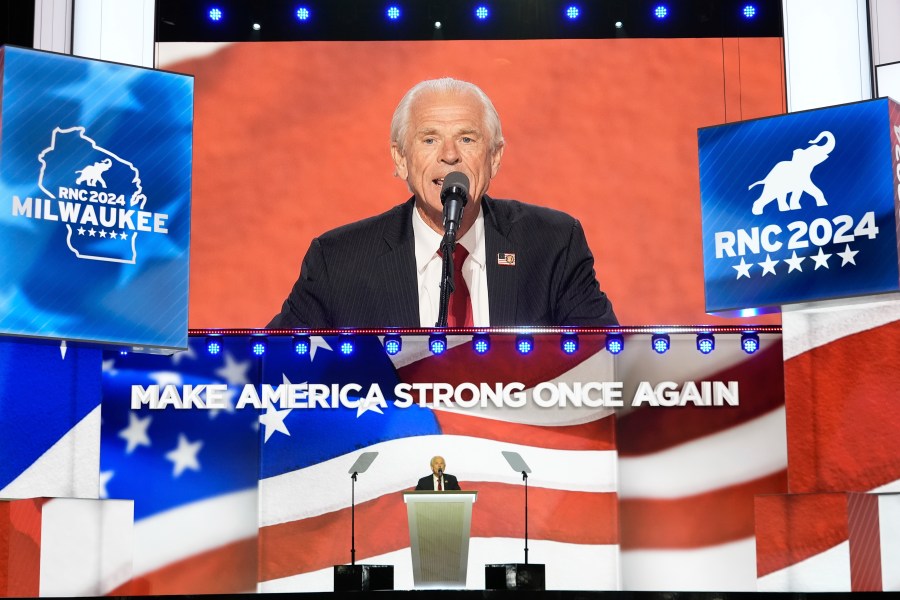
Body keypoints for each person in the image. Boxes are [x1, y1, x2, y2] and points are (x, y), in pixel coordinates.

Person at [268, 77, 617, 328]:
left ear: (494, 157)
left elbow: (604, 362)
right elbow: (272, 368)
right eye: (429, 139)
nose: (449, 156)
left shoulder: (552, 245)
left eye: (467, 138)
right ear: (401, 159)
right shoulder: (339, 261)